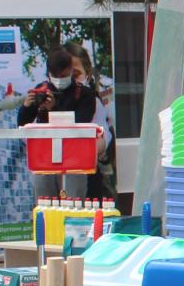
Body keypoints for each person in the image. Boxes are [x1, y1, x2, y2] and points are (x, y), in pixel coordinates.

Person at [20, 47, 96, 199]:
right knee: (44, 204)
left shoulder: (85, 94)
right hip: (44, 159)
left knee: (74, 203)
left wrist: (53, 108)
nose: (59, 79)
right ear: (49, 73)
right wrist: (26, 107)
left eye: (63, 75)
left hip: (74, 160)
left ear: (71, 70)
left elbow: (81, 122)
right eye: (55, 75)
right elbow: (23, 125)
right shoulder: (42, 91)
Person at [65, 42, 115, 200]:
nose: (71, 81)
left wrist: (94, 147)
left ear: (87, 74)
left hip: (87, 179)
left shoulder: (93, 102)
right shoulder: (48, 102)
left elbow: (105, 136)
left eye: (76, 74)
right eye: (65, 75)